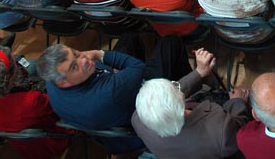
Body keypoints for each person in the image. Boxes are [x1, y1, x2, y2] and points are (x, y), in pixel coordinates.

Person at [132, 48, 249, 159]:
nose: (177, 86)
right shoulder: (221, 129)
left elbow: (168, 102)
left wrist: (198, 73)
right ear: (181, 101)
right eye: (174, 86)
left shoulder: (138, 120)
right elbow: (241, 126)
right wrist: (237, 102)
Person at [37, 40, 191, 141]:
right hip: (137, 122)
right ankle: (188, 91)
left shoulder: (52, 82)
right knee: (170, 43)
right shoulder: (109, 91)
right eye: (74, 66)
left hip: (110, 117)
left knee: (129, 38)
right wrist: (98, 54)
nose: (84, 60)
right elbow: (138, 67)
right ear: (63, 82)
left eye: (76, 54)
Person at [0, 46, 70, 159]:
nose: (16, 61)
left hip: (23, 144)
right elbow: (59, 105)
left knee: (31, 65)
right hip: (49, 140)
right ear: (11, 78)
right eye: (14, 62)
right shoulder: (32, 100)